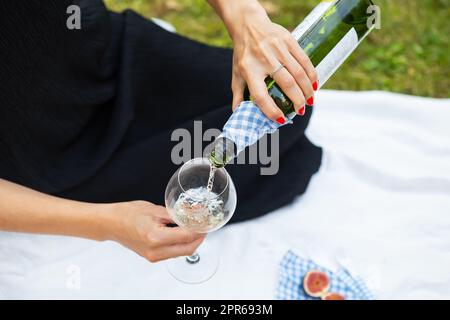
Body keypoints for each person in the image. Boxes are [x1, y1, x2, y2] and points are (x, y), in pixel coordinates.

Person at [0, 0, 322, 263]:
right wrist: (108, 223)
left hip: (108, 57)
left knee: (286, 105)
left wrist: (244, 17)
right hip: (51, 151)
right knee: (278, 159)